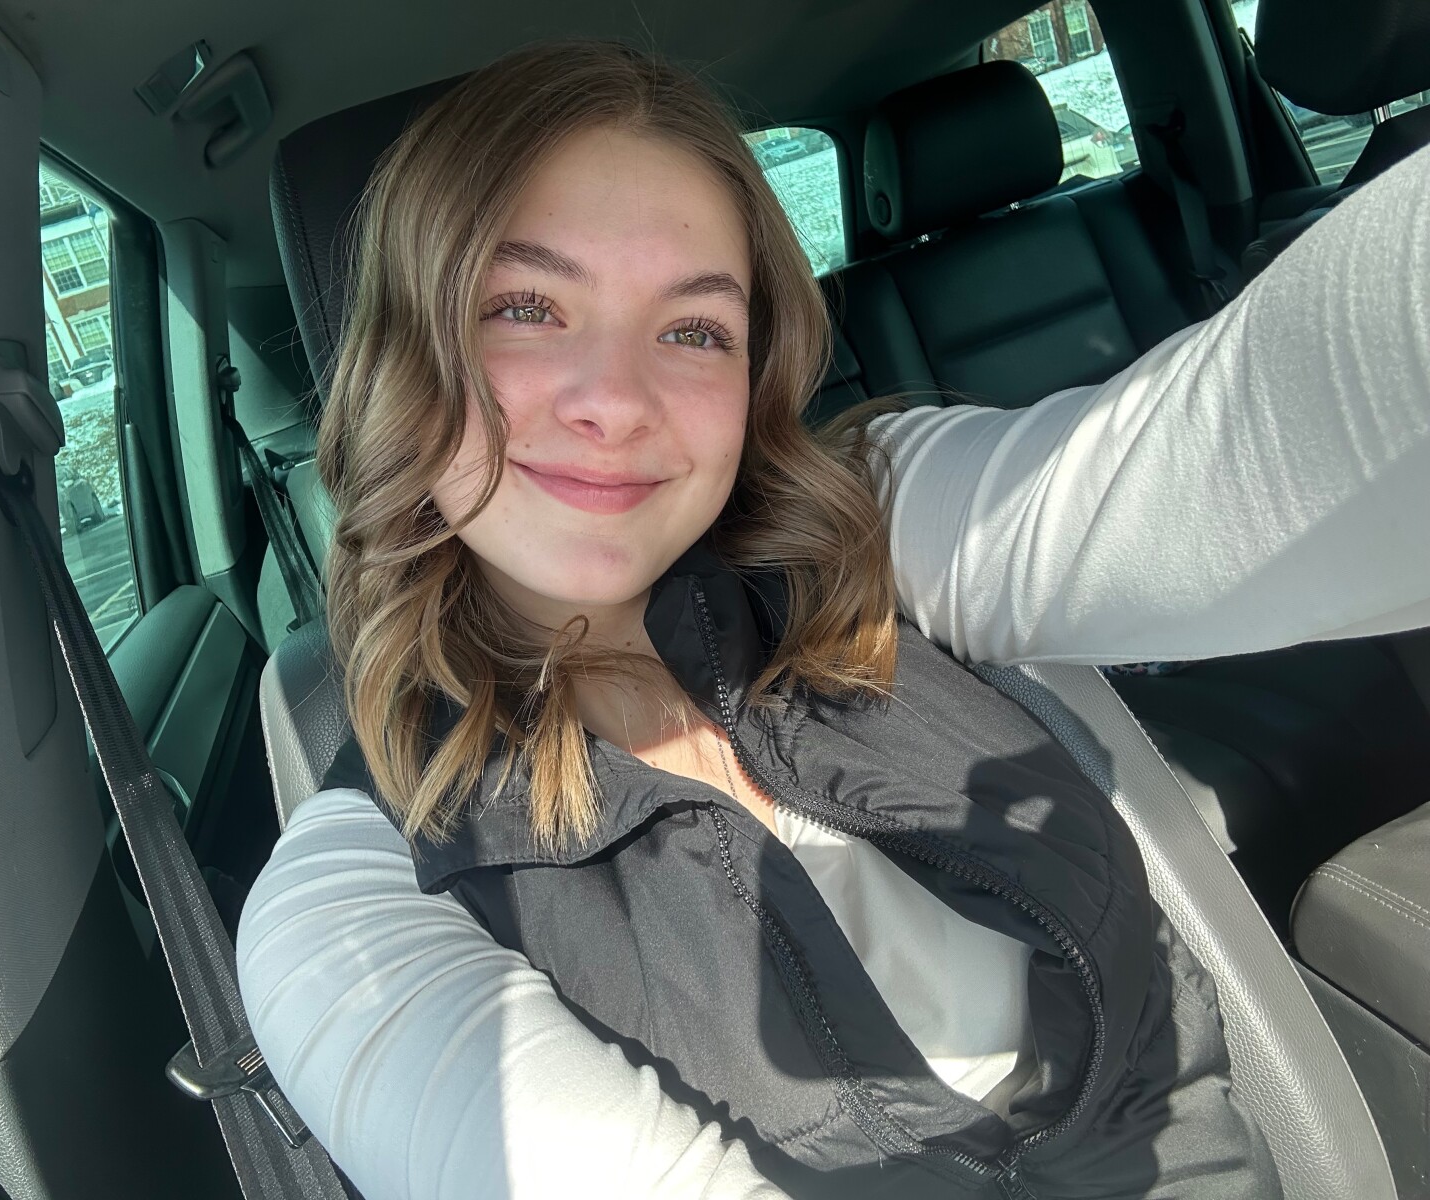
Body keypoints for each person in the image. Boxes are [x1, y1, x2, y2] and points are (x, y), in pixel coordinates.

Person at [237, 40, 1430, 1200]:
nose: (615, 400)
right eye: (524, 305)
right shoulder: (350, 906)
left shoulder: (874, 521)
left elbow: (1252, 450)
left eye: (693, 329)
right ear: (407, 354)